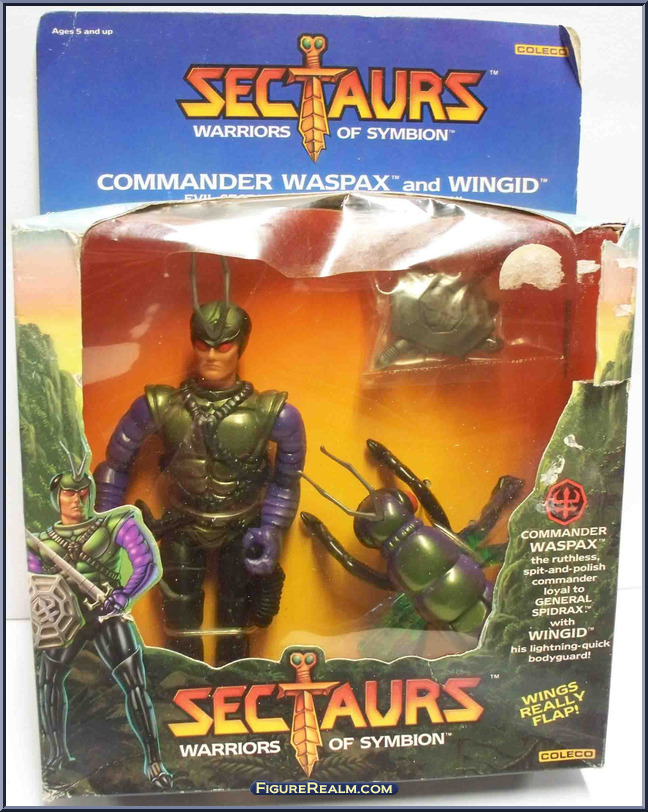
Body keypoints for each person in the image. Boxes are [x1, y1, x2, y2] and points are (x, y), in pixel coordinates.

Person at [94, 255, 306, 663]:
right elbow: (115, 465)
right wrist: (107, 526)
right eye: (202, 344)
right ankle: (184, 682)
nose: (211, 355)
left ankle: (236, 684)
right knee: (180, 623)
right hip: (181, 524)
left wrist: (272, 529)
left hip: (242, 527)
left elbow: (286, 479)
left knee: (236, 622)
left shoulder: (273, 413)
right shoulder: (161, 405)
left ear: (240, 347)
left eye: (222, 346)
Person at [27, 448, 172, 789]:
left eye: (83, 492)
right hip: (65, 619)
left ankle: (154, 762)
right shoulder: (41, 541)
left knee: (135, 685)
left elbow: (147, 564)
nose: (77, 500)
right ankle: (56, 757)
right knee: (48, 680)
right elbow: (33, 586)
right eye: (69, 493)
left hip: (107, 613)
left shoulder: (113, 524)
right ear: (56, 496)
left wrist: (123, 595)